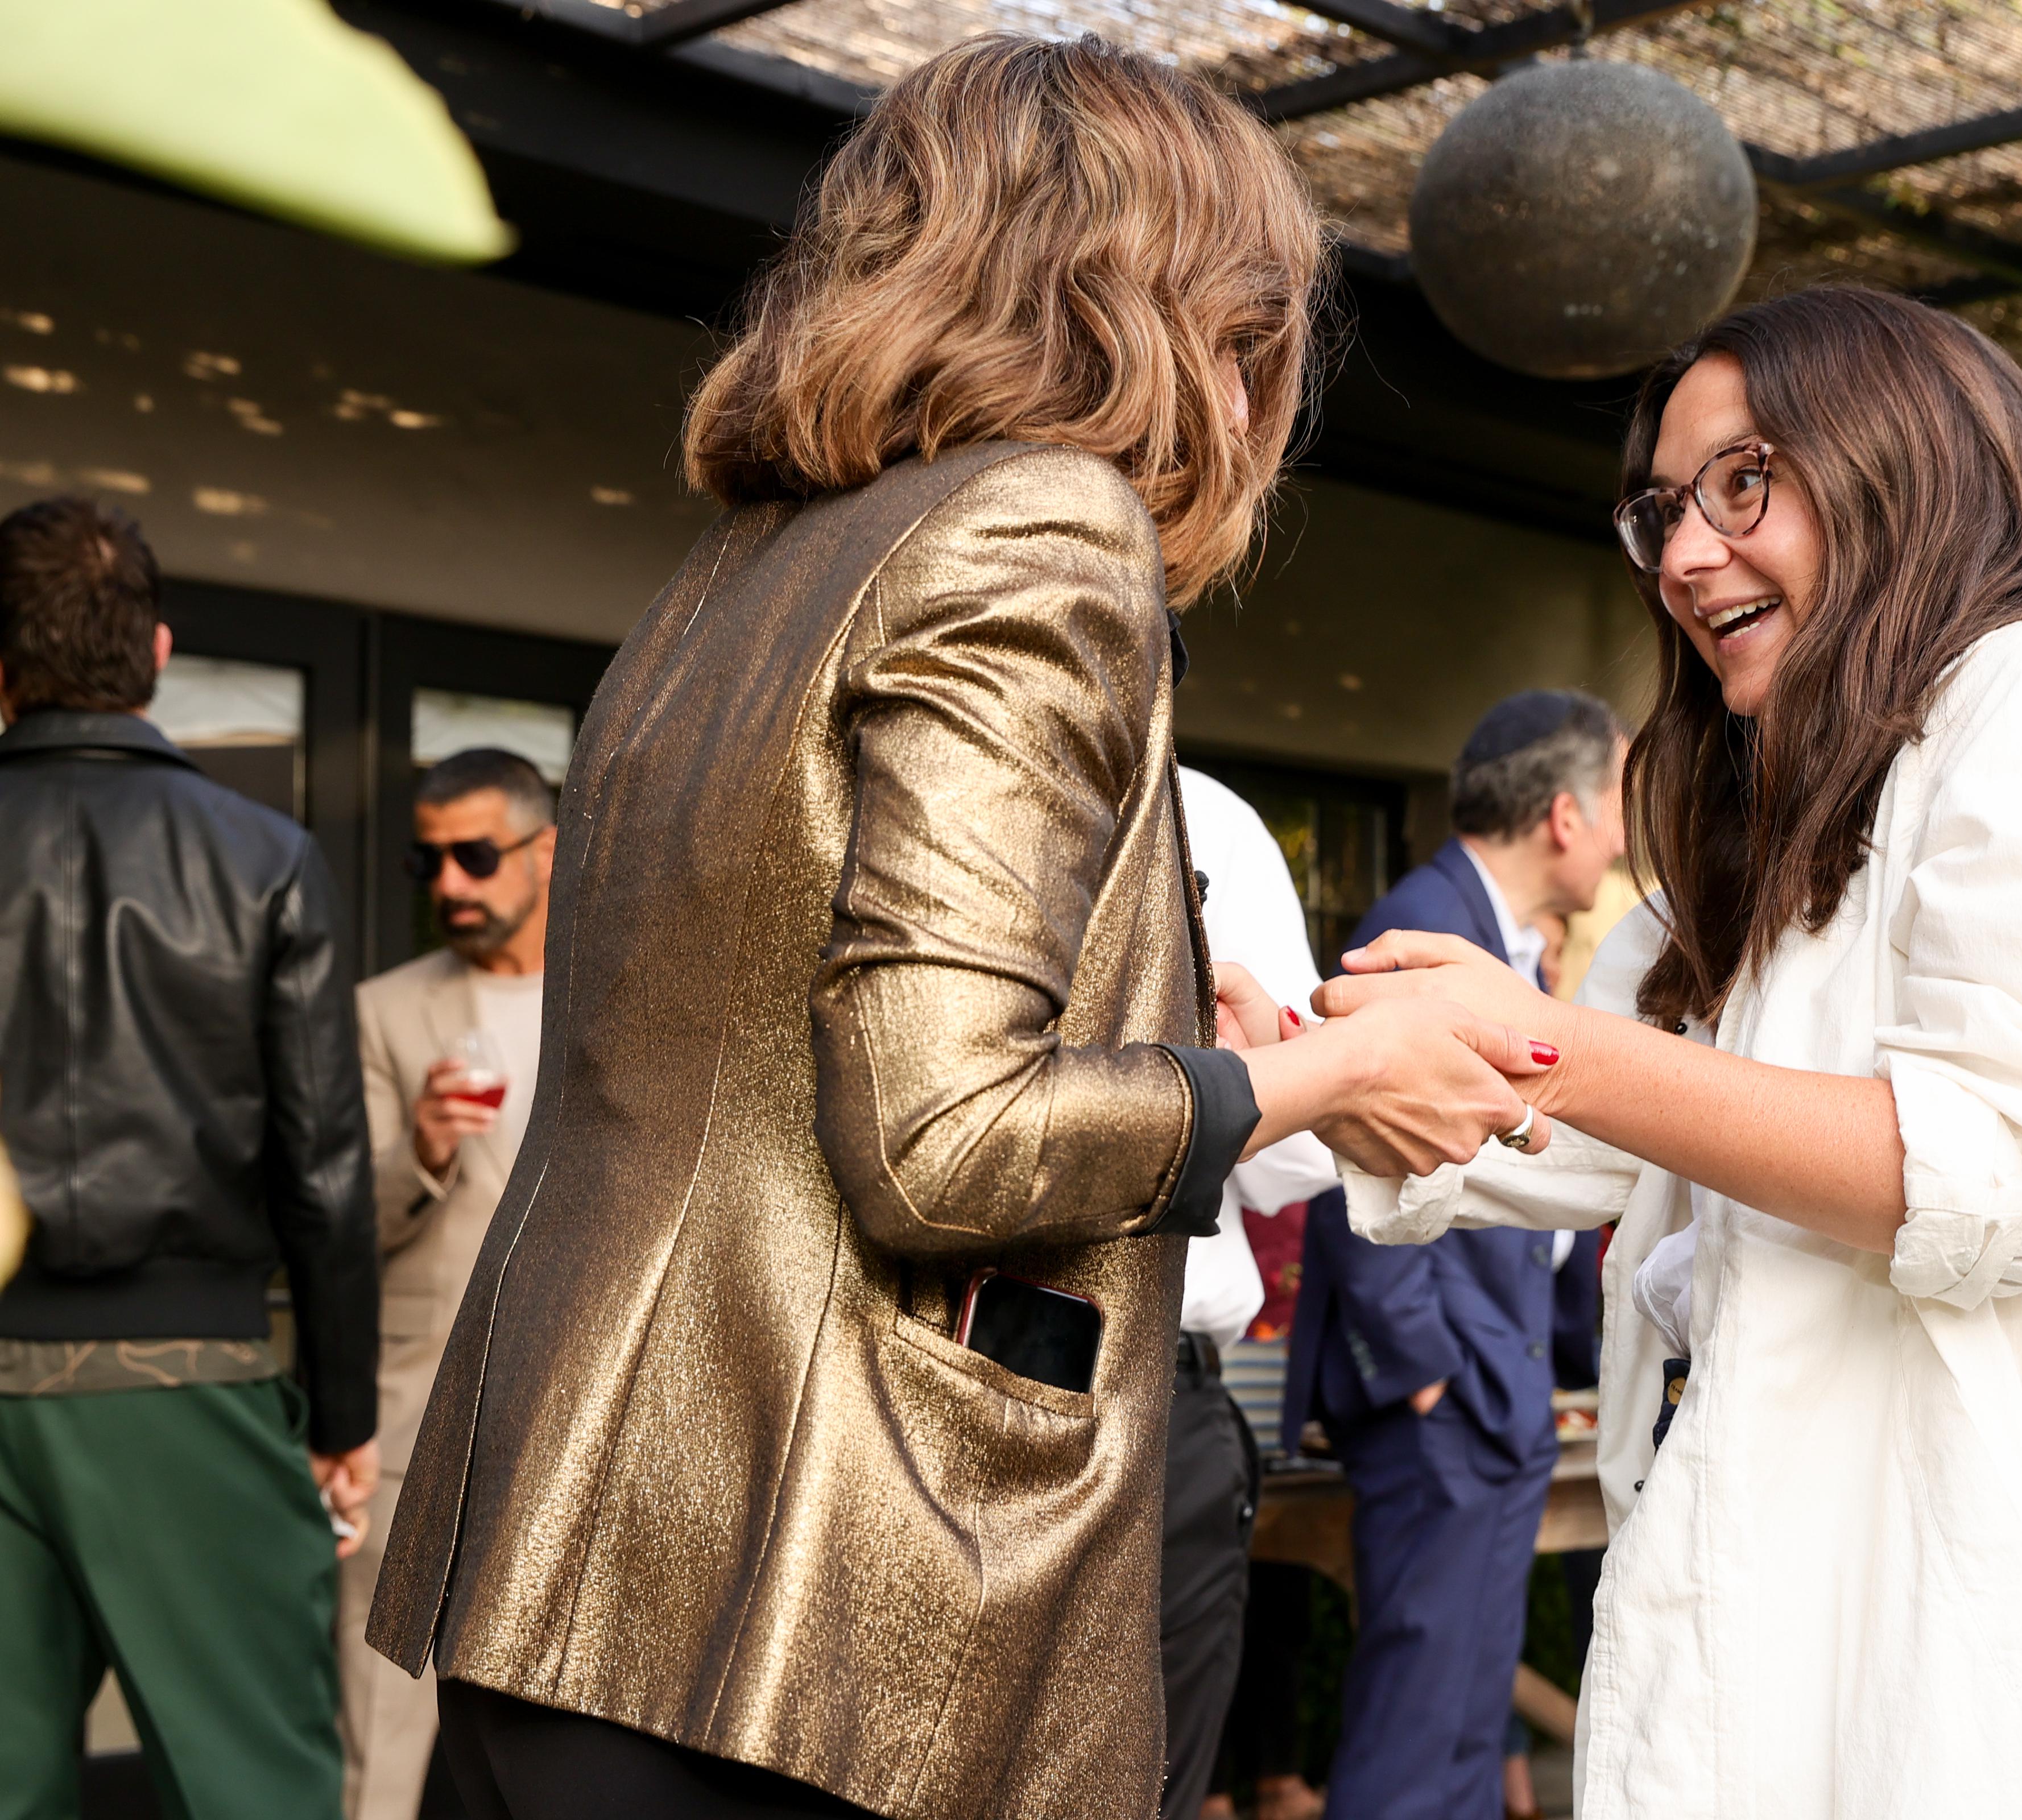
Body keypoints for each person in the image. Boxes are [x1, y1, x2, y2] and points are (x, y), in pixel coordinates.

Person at [365, 39, 1556, 1820]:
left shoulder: (742, 569)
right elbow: (942, 1143)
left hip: (573, 1564)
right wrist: (1321, 1076)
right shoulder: (1045, 531)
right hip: (802, 1606)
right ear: (1190, 315)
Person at [1320, 286, 2022, 1817]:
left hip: (2002, 1645)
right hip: (1794, 1619)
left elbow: (1993, 1162)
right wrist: (1329, 1064)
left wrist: (1535, 1039)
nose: (1684, 554)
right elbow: (1625, 1121)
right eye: (1661, 510)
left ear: (1909, 464)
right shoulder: (1784, 794)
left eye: (1743, 484)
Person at [0, 495, 379, 1818]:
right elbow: (327, 1170)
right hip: (190, 1379)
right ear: (155, 654)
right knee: (255, 1790)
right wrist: (344, 1417)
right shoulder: (266, 858)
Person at [1279, 689, 1626, 1820]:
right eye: (1620, 799)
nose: (1628, 834)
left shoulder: (1493, 937)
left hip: (1490, 1390)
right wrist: (1426, 1368)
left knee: (1469, 1719)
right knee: (1420, 1727)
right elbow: (1353, 1139)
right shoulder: (1424, 922)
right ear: (1566, 815)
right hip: (1445, 1396)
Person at [340, 747, 557, 1820]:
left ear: (548, 849)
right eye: (432, 863)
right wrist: (420, 1151)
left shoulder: (615, 1000)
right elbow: (344, 1227)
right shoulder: (385, 1011)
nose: (452, 886)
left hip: (579, 1413)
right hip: (420, 1414)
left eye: (476, 855)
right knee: (381, 1737)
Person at [1163, 766, 1342, 1819]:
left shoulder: (1207, 821)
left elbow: (1297, 1162)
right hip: (1150, 1397)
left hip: (1166, 1400)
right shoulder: (1201, 814)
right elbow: (1298, 1162)